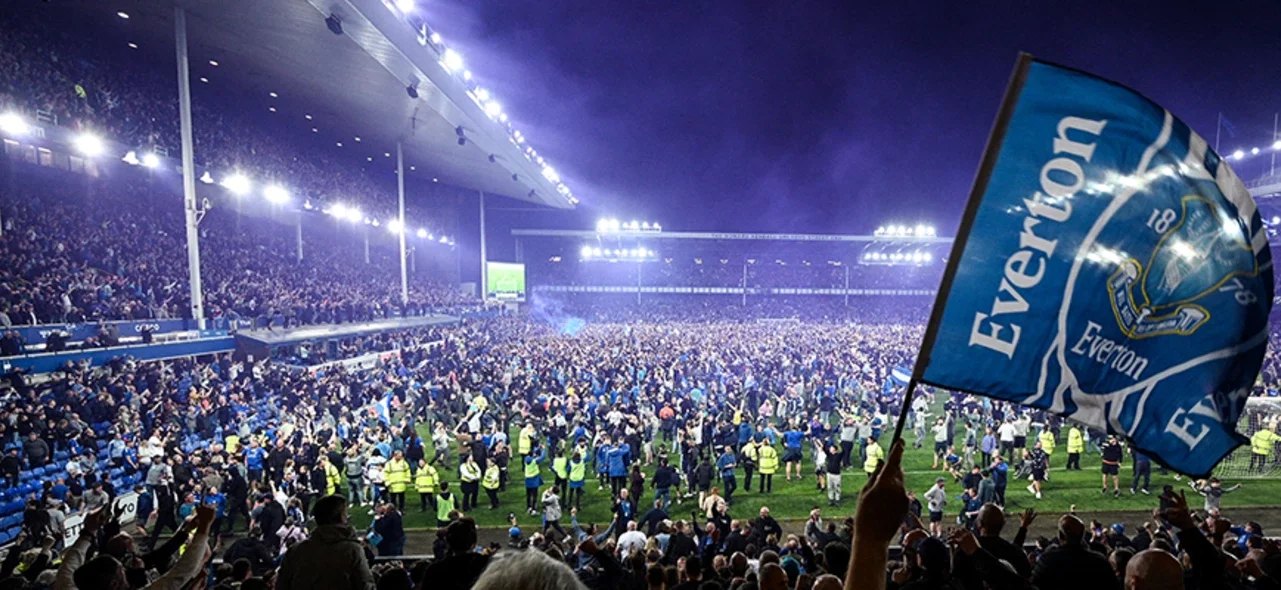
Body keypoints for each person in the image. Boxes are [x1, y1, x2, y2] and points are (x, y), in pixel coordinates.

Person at [276, 495, 375, 590]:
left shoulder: (295, 551)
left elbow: (282, 585)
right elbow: (365, 585)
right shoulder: (352, 550)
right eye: (346, 513)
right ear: (342, 517)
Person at [1032, 514, 1122, 590]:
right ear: (1082, 535)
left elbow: (1033, 584)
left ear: (1060, 536)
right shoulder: (1099, 560)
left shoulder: (1047, 559)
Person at [824, 442, 843, 506]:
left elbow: (844, 451)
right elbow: (824, 448)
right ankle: (831, 499)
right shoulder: (829, 455)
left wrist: (840, 444)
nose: (830, 449)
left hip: (836, 475)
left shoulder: (839, 456)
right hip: (829, 474)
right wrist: (825, 442)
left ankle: (837, 499)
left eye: (831, 448)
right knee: (830, 487)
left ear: (835, 449)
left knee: (837, 487)